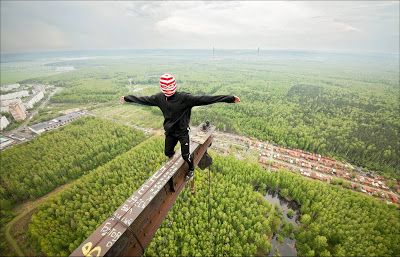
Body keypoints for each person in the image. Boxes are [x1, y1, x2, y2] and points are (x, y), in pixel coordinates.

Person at [121, 74, 240, 181]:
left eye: (169, 87)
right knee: (168, 152)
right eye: (166, 88)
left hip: (183, 132)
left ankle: (191, 169)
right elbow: (143, 100)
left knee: (185, 155)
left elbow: (207, 99)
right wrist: (127, 98)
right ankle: (172, 163)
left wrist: (229, 99)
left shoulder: (185, 98)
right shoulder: (159, 98)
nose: (168, 90)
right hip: (170, 132)